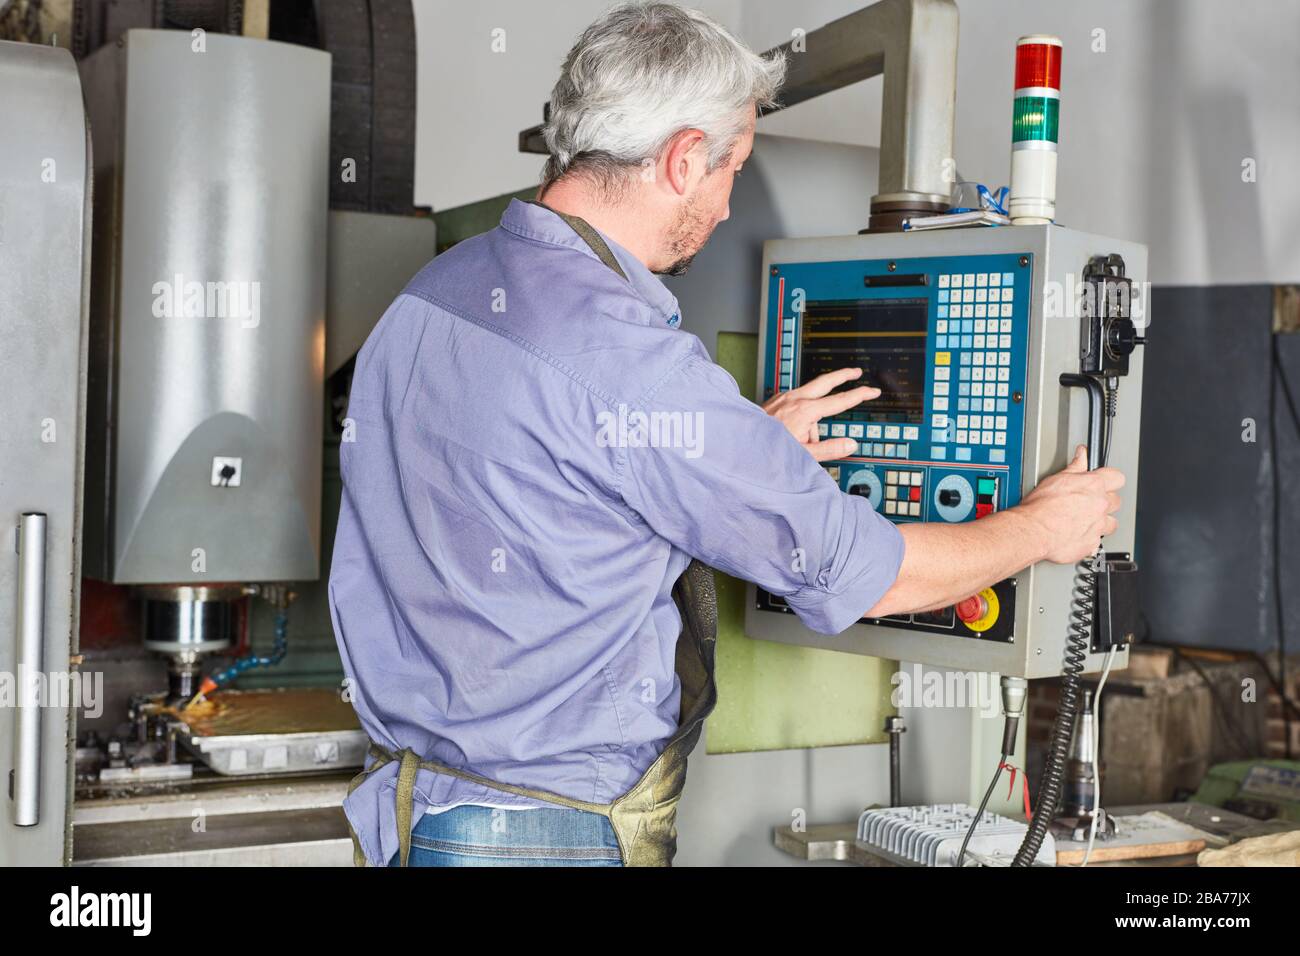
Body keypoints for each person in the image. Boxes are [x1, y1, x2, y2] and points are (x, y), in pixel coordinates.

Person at [328, 2, 1124, 867]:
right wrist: (1042, 528)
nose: (725, 200)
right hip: (540, 834)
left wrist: (742, 447)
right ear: (680, 160)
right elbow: (867, 573)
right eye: (732, 167)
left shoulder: (428, 298)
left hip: (412, 812)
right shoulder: (632, 361)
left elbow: (554, 476)